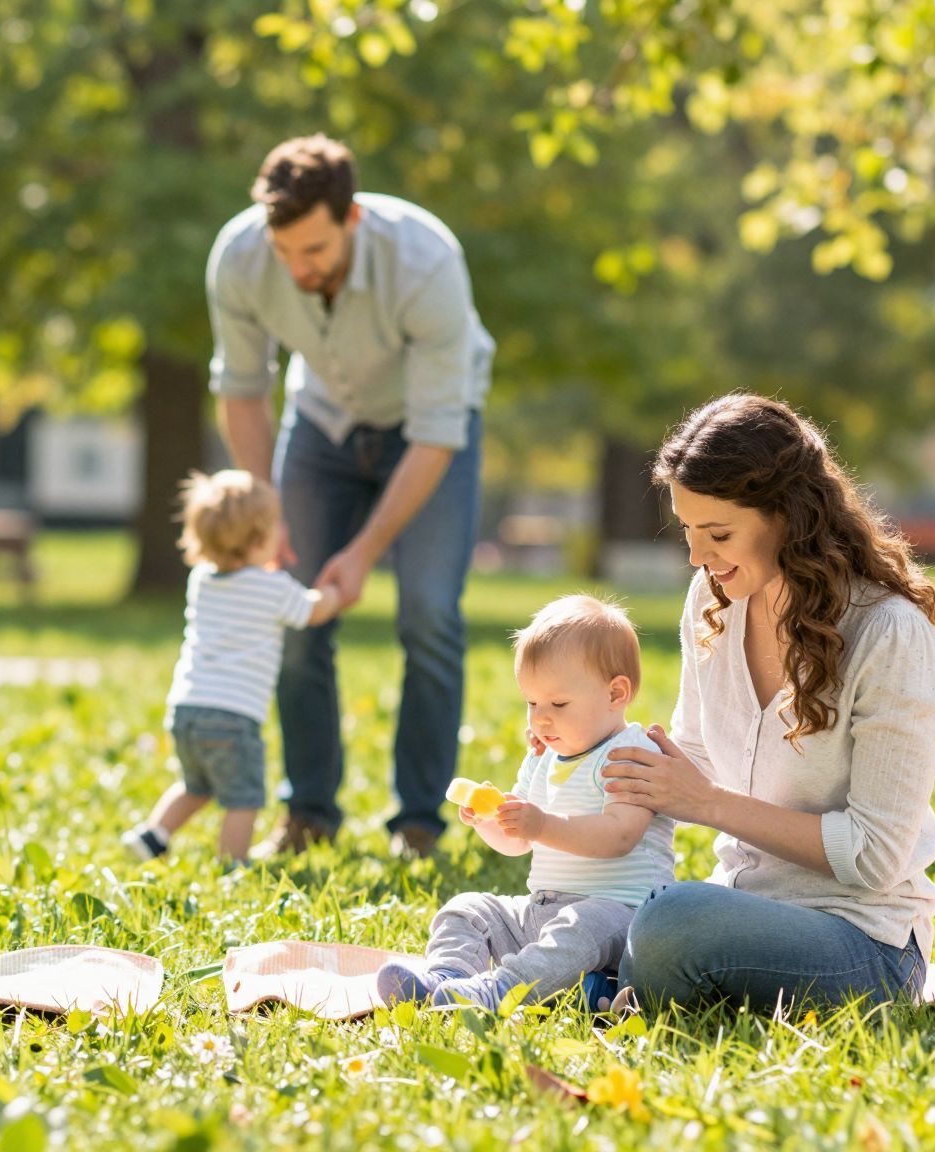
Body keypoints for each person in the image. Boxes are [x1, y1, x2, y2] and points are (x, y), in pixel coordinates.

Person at [603, 394, 935, 1012]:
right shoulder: (712, 601)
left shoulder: (888, 633)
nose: (697, 556)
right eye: (687, 530)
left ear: (787, 516)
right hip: (739, 905)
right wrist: (583, 756)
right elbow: (693, 757)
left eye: (718, 534)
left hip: (862, 943)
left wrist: (707, 805)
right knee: (577, 911)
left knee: (670, 922)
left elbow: (874, 856)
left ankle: (615, 980)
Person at [206, 134, 495, 860]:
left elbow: (435, 431)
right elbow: (242, 391)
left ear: (352, 218)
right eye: (285, 252)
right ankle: (307, 813)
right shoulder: (239, 258)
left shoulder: (426, 261)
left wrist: (365, 552)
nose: (298, 269)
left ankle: (419, 823)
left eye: (314, 251)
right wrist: (262, 517)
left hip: (427, 431)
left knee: (429, 612)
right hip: (322, 423)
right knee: (295, 609)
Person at [376, 596, 673, 1009]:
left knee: (579, 926)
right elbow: (520, 842)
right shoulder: (544, 756)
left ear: (615, 693)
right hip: (544, 909)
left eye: (558, 704)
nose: (540, 718)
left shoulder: (630, 753)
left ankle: (500, 991)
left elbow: (620, 835)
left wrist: (542, 825)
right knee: (469, 908)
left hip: (623, 917)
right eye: (532, 703)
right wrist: (490, 822)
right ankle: (447, 978)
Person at [121, 470, 342, 863]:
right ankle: (233, 863)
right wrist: (334, 593)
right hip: (234, 717)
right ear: (259, 539)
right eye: (276, 526)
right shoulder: (274, 588)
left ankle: (154, 833)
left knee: (196, 784)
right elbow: (311, 611)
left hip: (186, 710)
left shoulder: (202, 579)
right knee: (244, 798)